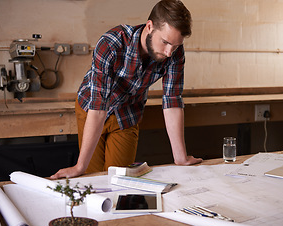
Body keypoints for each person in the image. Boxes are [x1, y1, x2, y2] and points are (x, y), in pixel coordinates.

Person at [50, 0, 202, 180]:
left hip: (128, 113)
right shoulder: (111, 43)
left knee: (119, 179)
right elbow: (98, 107)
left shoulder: (175, 52)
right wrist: (79, 166)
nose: (170, 52)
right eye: (165, 42)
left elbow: (172, 99)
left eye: (175, 46)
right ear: (150, 26)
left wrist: (180, 158)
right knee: (92, 177)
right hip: (92, 107)